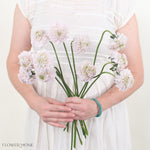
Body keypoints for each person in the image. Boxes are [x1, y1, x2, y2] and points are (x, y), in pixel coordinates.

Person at [6, 0, 144, 149]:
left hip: (100, 125)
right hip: (49, 123)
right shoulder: (29, 3)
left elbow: (135, 72)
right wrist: (34, 101)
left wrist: (97, 106)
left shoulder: (119, 5)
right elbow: (15, 61)